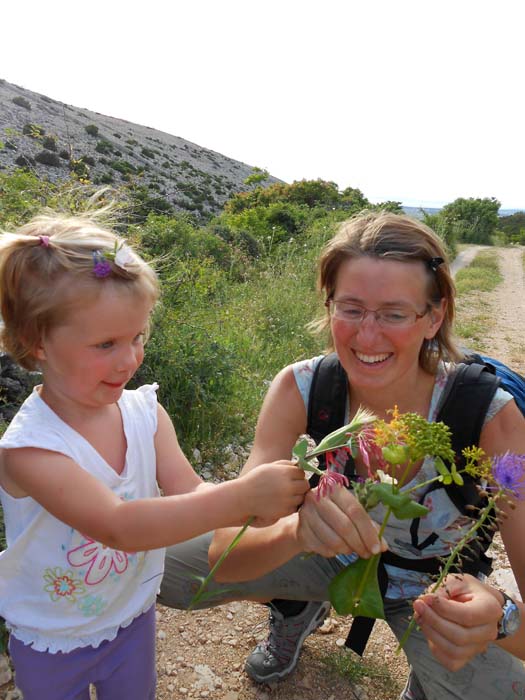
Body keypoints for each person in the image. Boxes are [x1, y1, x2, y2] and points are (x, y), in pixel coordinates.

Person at [159, 211, 525, 700]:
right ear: (328, 306)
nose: (366, 336)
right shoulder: (301, 389)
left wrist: (496, 616)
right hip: (324, 553)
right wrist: (295, 531)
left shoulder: (489, 418)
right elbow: (223, 557)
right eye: (350, 308)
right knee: (163, 568)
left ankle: (433, 662)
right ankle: (295, 606)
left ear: (434, 317)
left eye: (394, 314)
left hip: (433, 585)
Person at [0, 209, 308, 700]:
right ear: (36, 342)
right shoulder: (31, 450)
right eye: (106, 344)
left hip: (133, 615)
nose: (130, 359)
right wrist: (238, 497)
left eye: (137, 336)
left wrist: (274, 507)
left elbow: (192, 492)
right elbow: (118, 526)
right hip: (51, 636)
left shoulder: (145, 413)